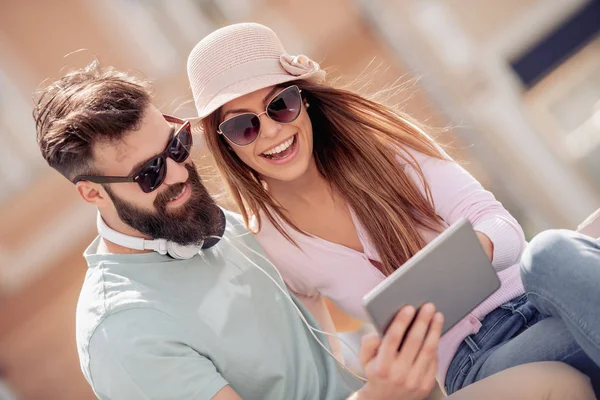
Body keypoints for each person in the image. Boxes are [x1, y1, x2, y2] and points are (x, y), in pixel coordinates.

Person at [187, 22, 600, 396]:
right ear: (226, 143)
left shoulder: (383, 149)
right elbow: (329, 368)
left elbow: (500, 224)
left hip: (538, 299)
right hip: (479, 361)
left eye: (280, 105)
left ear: (305, 100)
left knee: (549, 252)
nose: (273, 131)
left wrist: (463, 265)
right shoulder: (269, 247)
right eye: (244, 126)